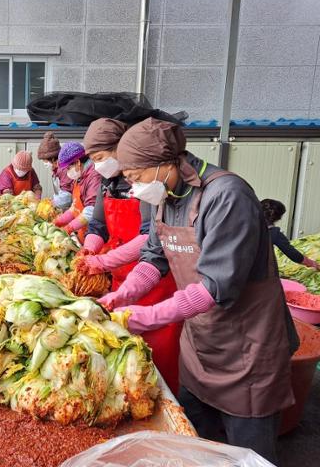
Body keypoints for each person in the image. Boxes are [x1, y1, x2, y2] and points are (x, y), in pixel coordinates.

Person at [101, 117, 298, 464]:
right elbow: (153, 257)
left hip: (247, 349)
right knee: (195, 444)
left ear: (164, 163)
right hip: (200, 345)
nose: (133, 188)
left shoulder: (226, 197)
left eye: (136, 178)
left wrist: (145, 317)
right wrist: (124, 294)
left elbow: (215, 286)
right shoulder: (167, 195)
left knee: (248, 453)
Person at [74, 118, 180, 394]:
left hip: (155, 280)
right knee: (125, 352)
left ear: (118, 148)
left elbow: (149, 238)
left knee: (159, 355)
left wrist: (102, 262)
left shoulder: (146, 182)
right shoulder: (107, 183)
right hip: (123, 281)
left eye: (100, 157)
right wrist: (89, 250)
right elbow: (97, 226)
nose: (97, 165)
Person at [53, 141, 102, 242]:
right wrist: (58, 221)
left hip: (95, 236)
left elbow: (90, 211)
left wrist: (69, 228)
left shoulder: (94, 176)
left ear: (77, 163)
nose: (67, 173)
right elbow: (74, 208)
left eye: (68, 168)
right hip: (83, 233)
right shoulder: (79, 176)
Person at [261, 198, 320, 270]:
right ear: (278, 217)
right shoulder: (274, 233)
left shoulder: (248, 226)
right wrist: (312, 263)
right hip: (255, 271)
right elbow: (293, 254)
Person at [37, 131, 73, 209]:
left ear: (53, 158)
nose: (44, 163)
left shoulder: (64, 170)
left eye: (45, 160)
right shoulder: (56, 170)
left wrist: (50, 204)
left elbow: (66, 196)